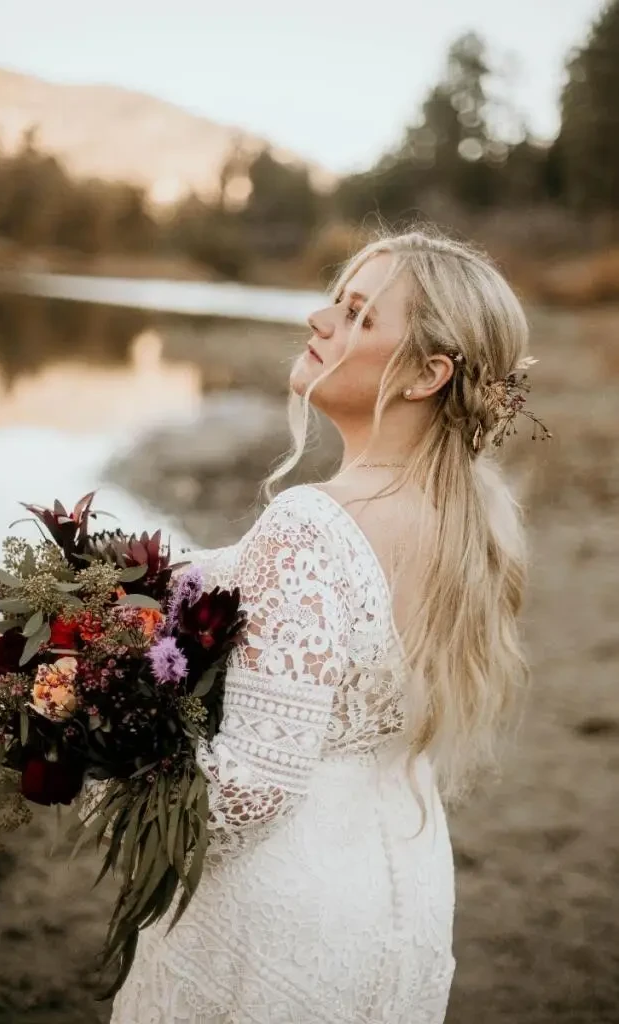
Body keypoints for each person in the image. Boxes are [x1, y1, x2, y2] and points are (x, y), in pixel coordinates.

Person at [102, 227, 540, 1023]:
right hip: (398, 889)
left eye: (358, 316)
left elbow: (252, 788)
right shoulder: (464, 519)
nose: (318, 318)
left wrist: (100, 741)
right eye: (338, 302)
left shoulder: (311, 524)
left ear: (427, 375)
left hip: (278, 913)